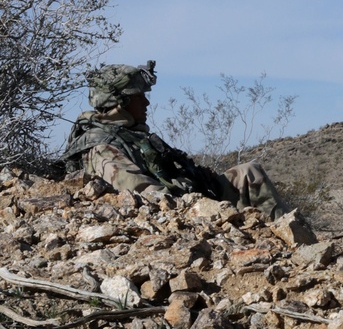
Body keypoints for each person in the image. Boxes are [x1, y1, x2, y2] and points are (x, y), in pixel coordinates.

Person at [63, 61, 284, 218]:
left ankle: (292, 238)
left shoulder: (130, 135)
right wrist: (188, 192)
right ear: (121, 102)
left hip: (192, 200)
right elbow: (146, 195)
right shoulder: (103, 147)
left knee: (249, 172)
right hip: (182, 214)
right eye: (139, 97)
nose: (146, 103)